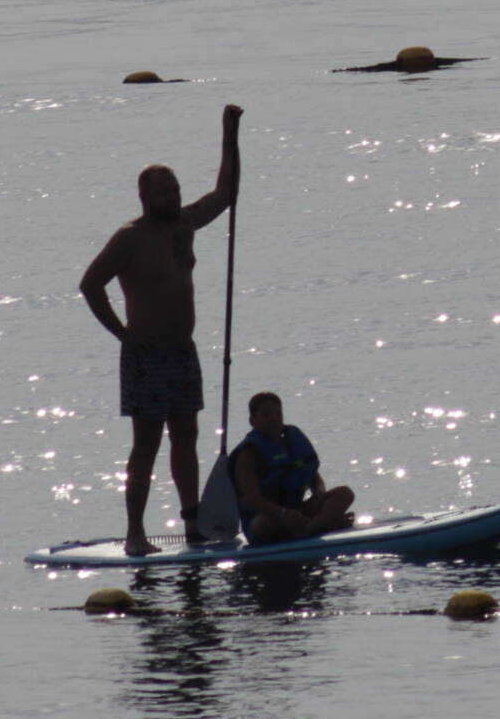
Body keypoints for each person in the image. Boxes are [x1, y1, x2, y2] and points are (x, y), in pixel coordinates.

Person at [79, 105, 242, 554]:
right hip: (146, 355)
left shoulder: (185, 225)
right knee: (146, 445)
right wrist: (122, 332)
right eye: (165, 193)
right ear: (145, 196)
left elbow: (226, 193)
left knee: (186, 438)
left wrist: (229, 132)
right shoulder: (130, 237)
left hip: (182, 351)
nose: (174, 198)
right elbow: (90, 285)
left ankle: (192, 526)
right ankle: (136, 532)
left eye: (176, 191)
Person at [232, 390, 355, 542]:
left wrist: (317, 495)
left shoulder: (293, 442)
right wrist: (283, 513)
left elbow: (316, 481)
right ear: (252, 420)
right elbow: (250, 499)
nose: (274, 419)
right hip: (268, 517)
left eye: (278, 414)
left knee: (345, 493)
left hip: (297, 511)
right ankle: (326, 524)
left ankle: (309, 529)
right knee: (262, 525)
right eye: (266, 415)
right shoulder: (248, 454)